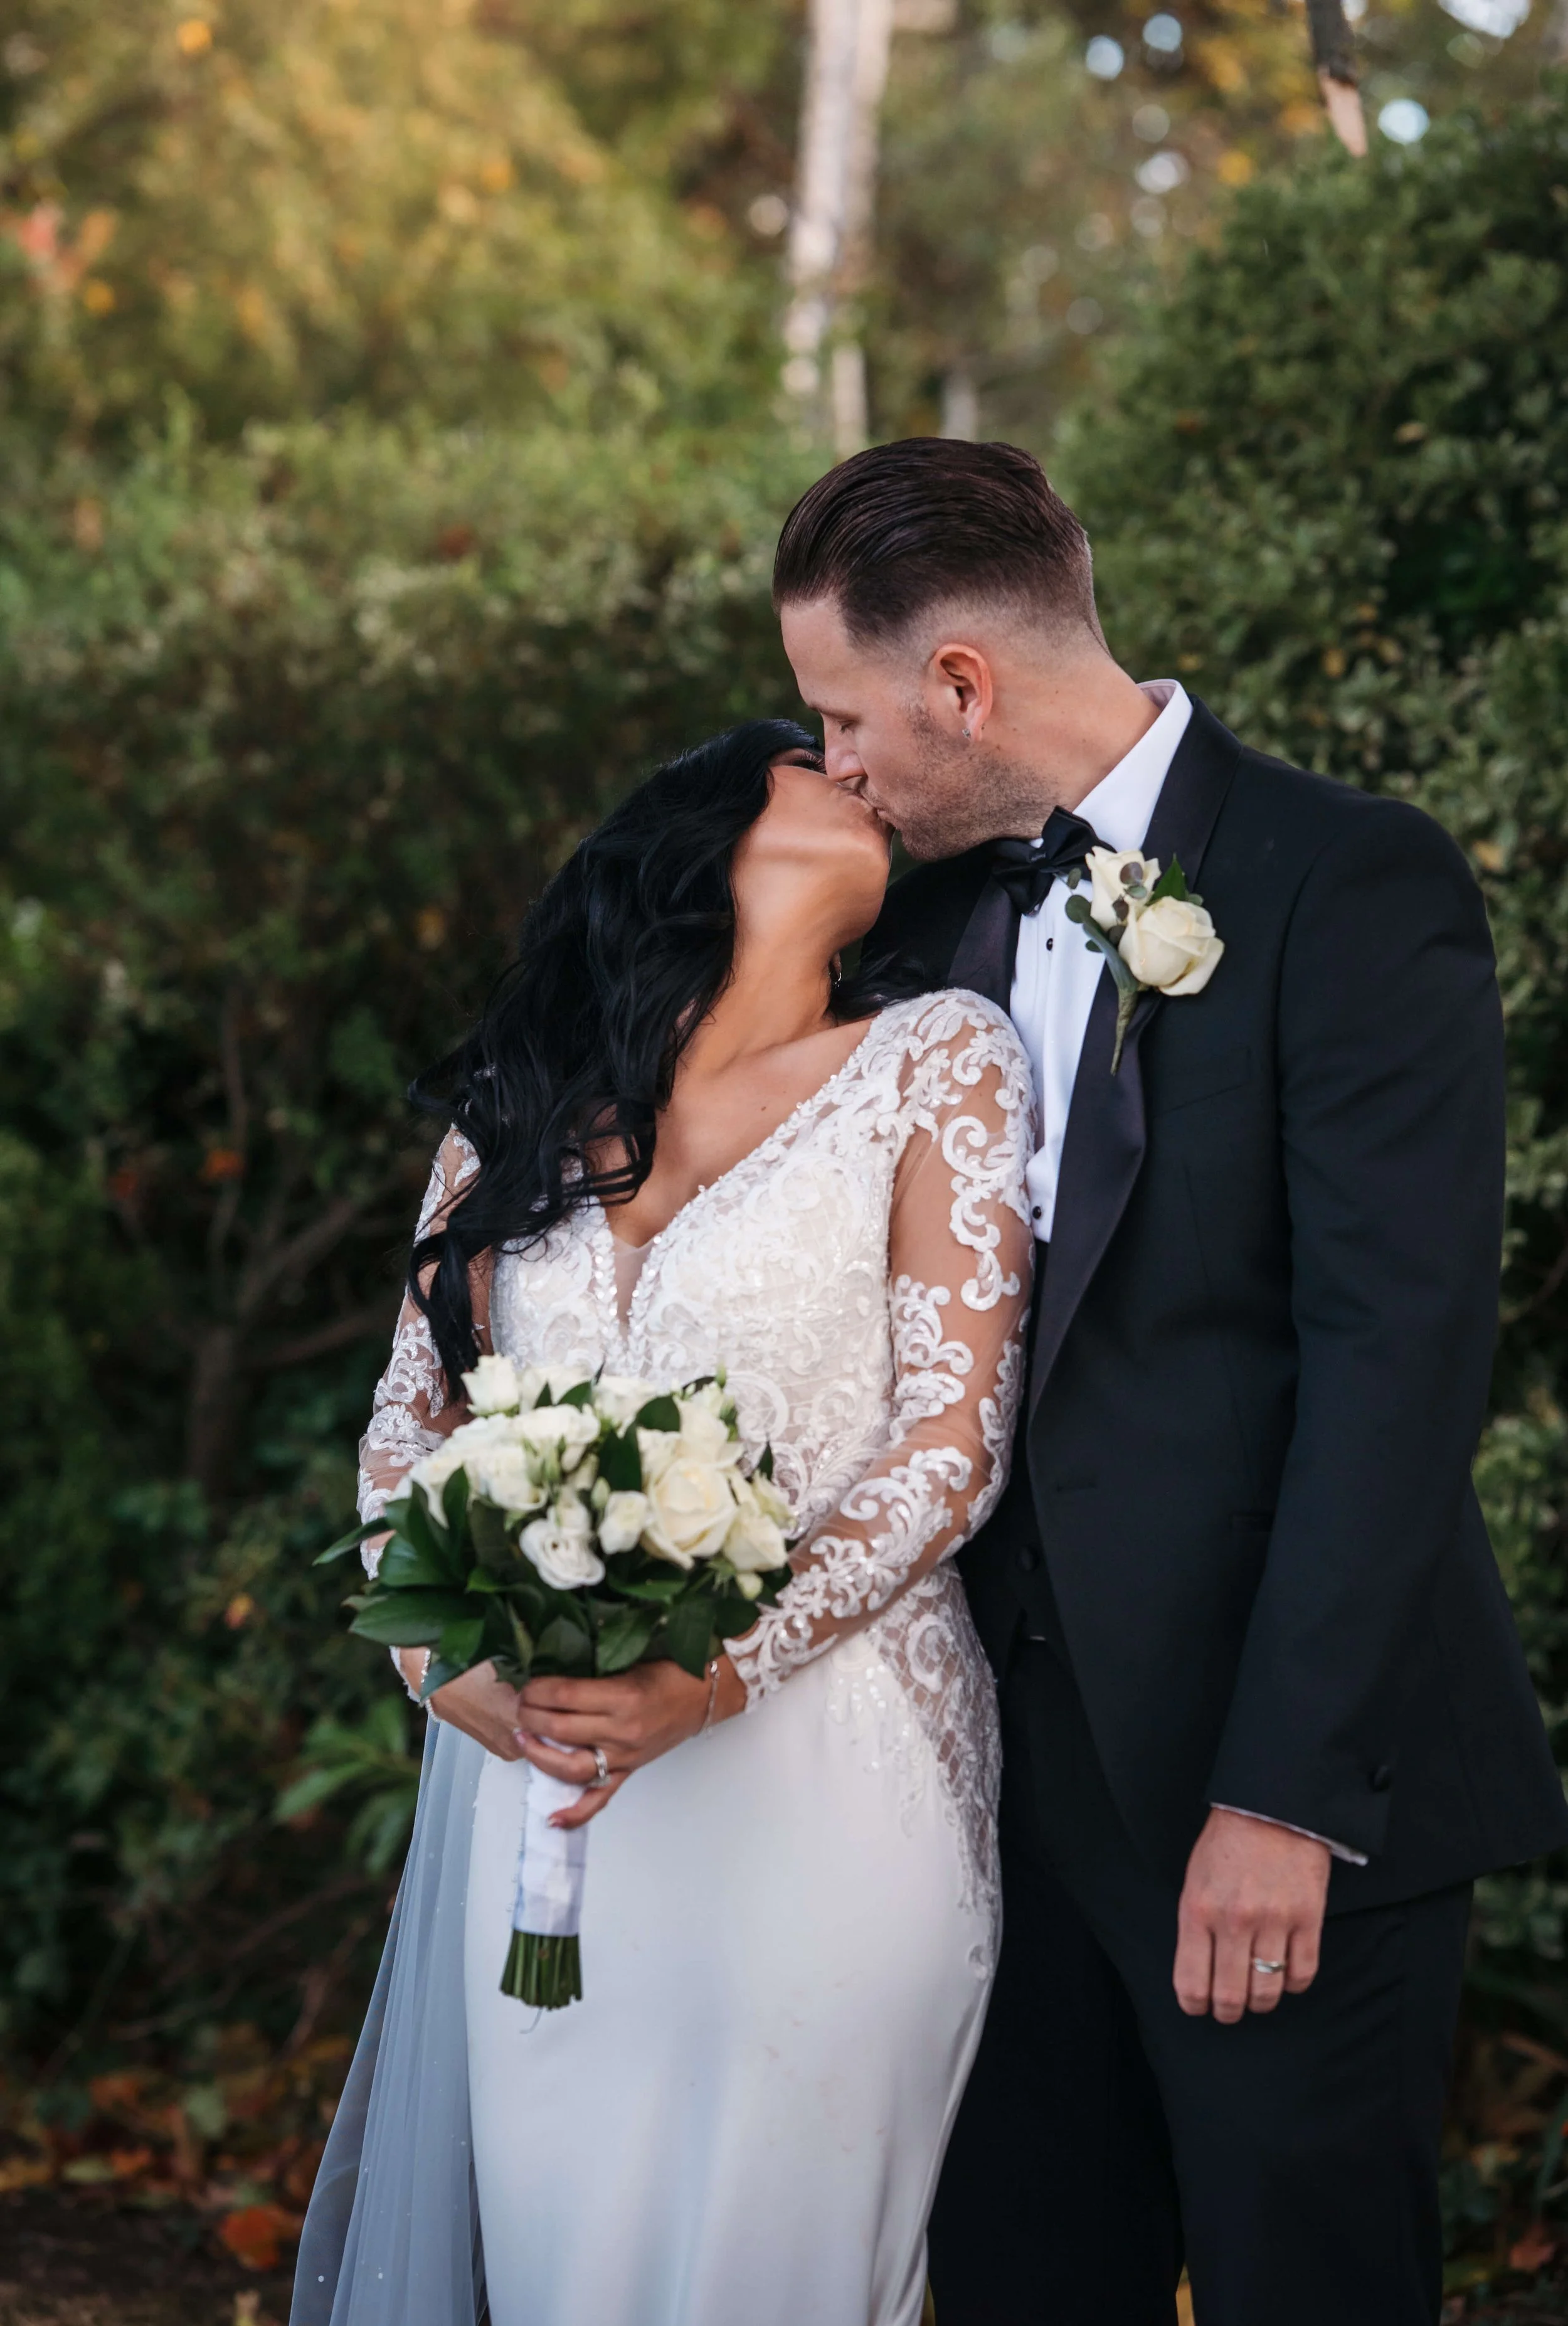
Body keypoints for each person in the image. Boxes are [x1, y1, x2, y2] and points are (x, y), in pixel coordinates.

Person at [772, 435, 1568, 2326]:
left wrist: (1283, 1800)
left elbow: (1392, 1362)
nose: (833, 764)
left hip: (1267, 1790)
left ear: (960, 682)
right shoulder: (907, 916)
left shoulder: (1346, 882)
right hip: (980, 1808)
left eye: (843, 712)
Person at [290, 719, 1034, 2326]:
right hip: (543, 1798)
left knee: (789, 2246)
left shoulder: (935, 1060)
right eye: (807, 763)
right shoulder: (516, 1106)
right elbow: (401, 1448)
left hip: (832, 1768)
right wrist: (445, 1671)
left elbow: (946, 1449)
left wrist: (716, 1673)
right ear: (700, 845)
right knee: (569, 2256)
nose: (858, 770)